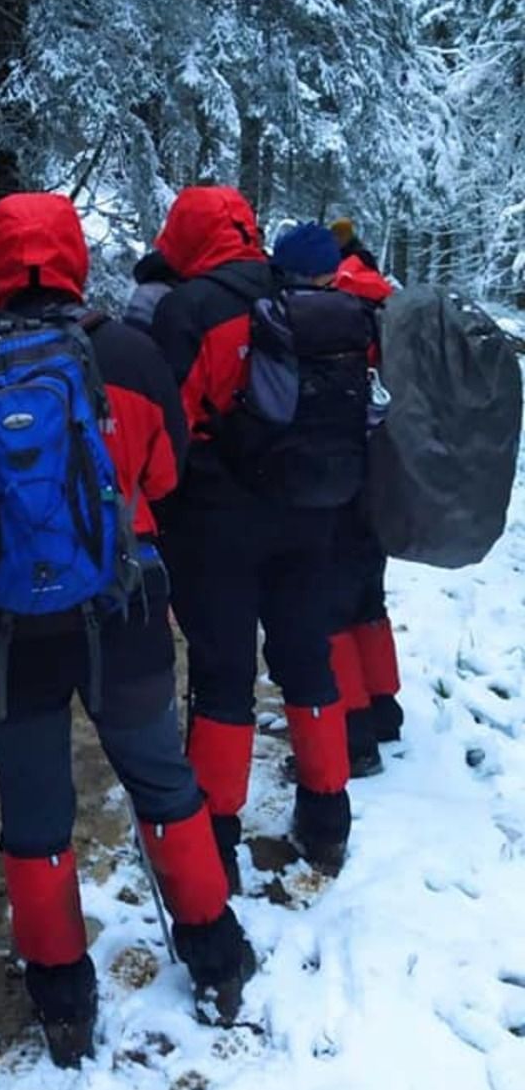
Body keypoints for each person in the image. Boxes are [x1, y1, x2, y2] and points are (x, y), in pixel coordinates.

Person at [0, 192, 254, 1068]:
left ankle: (62, 999)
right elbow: (165, 475)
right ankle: (215, 955)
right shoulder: (130, 355)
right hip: (122, 610)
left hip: (10, 625)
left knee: (35, 812)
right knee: (163, 784)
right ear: (71, 255)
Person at [149, 194, 352, 885]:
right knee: (306, 656)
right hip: (307, 509)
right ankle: (328, 817)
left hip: (218, 521)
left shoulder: (189, 309)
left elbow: (165, 429)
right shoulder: (296, 291)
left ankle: (217, 837)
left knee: (223, 676)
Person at [328, 248, 404, 766]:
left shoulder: (332, 312)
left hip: (336, 484)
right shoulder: (393, 314)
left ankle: (352, 734)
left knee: (328, 608)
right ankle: (384, 710)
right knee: (369, 600)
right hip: (385, 483)